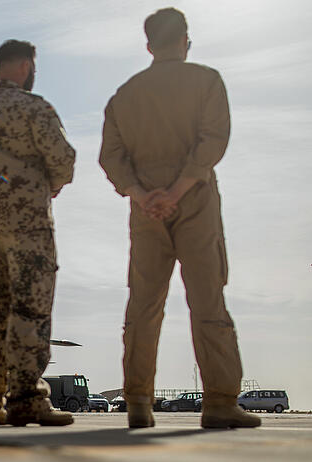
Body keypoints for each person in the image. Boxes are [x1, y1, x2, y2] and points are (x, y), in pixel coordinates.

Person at [99, 7, 259, 429]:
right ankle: (221, 402)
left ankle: (137, 401)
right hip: (196, 204)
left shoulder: (124, 96)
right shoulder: (206, 81)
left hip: (144, 209)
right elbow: (213, 139)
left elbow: (111, 157)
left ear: (148, 46)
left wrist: (141, 194)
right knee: (207, 300)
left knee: (144, 305)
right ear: (186, 40)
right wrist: (178, 190)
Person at [0, 39, 76, 427]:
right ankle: (26, 398)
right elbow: (63, 161)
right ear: (26, 66)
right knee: (30, 306)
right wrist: (47, 183)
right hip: (28, 224)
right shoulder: (34, 108)